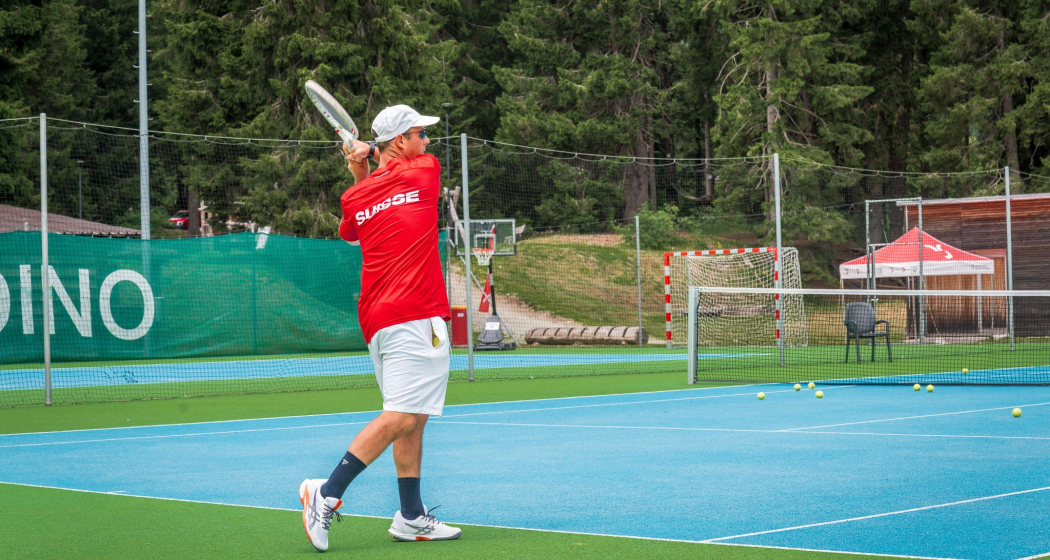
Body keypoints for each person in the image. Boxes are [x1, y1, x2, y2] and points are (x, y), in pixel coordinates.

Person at [299, 104, 461, 552]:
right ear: (401, 143)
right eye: (419, 134)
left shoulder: (356, 195)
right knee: (403, 415)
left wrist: (359, 171)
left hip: (377, 319)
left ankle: (410, 516)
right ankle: (326, 492)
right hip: (414, 313)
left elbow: (351, 232)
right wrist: (369, 154)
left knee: (414, 417)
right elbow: (391, 178)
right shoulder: (424, 171)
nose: (427, 142)